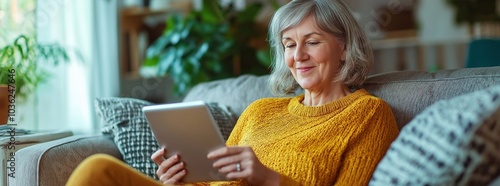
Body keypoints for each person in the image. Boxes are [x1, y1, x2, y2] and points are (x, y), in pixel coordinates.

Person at [66, 0, 399, 185]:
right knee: (98, 169)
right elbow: (215, 181)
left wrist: (270, 179)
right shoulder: (260, 111)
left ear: (343, 48)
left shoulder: (368, 115)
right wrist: (180, 179)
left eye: (312, 42)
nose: (298, 56)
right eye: (289, 45)